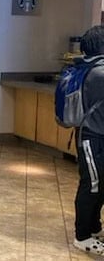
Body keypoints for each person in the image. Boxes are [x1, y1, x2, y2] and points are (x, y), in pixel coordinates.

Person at [73, 25, 104, 255]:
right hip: (92, 137)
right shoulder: (98, 72)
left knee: (99, 184)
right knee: (92, 185)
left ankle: (93, 227)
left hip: (92, 134)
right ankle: (82, 236)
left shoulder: (88, 67)